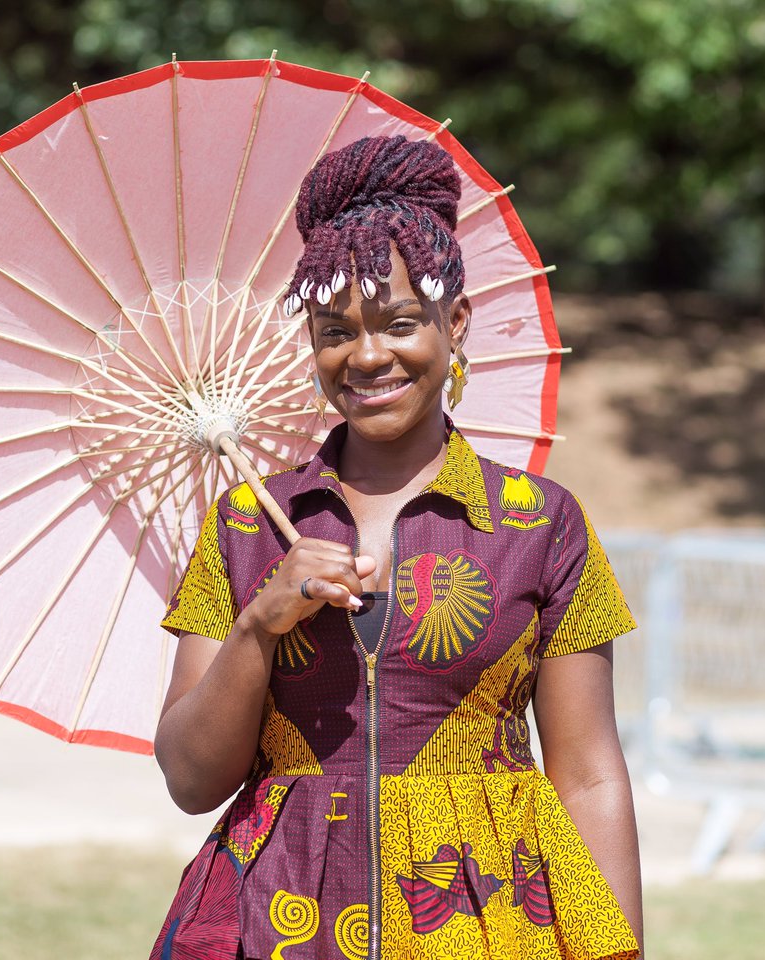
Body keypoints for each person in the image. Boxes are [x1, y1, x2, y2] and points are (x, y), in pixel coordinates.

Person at [151, 135, 643, 960]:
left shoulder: (539, 523)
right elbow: (191, 780)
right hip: (276, 920)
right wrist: (259, 624)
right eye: (334, 330)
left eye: (401, 323)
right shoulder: (245, 523)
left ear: (455, 325)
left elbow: (590, 774)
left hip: (487, 921)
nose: (368, 355)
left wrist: (617, 951)